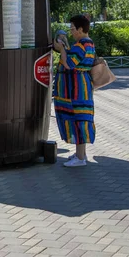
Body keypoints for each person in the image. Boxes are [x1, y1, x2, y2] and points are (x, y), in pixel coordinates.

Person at [53, 14, 96, 167]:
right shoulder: (89, 44)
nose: (71, 31)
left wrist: (61, 49)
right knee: (81, 119)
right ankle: (81, 154)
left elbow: (68, 63)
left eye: (72, 28)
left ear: (80, 29)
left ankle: (80, 158)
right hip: (82, 86)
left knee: (77, 119)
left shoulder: (81, 46)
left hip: (76, 88)